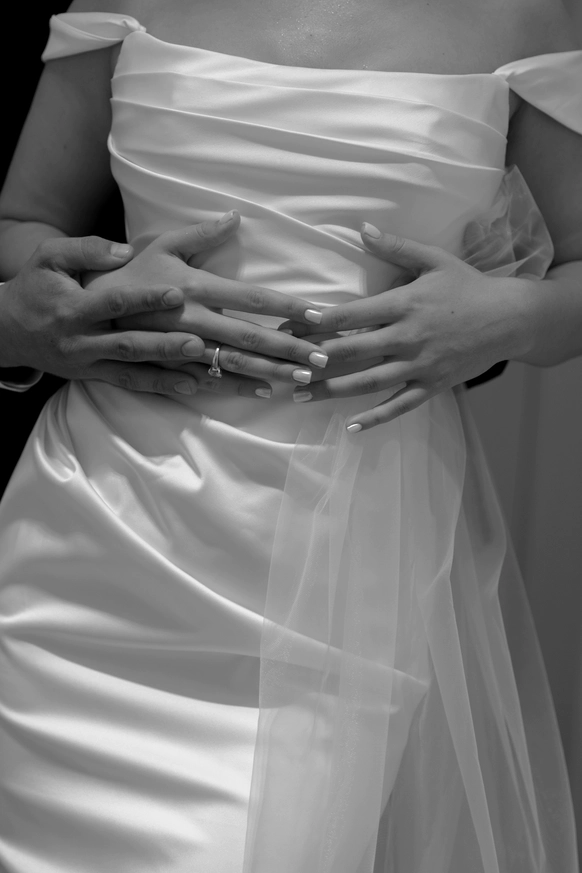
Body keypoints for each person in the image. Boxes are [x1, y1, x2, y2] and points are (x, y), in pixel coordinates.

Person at [0, 0, 581, 870]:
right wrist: (110, 283)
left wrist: (509, 317)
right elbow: (21, 227)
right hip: (99, 523)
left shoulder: (526, 15)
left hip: (345, 546)